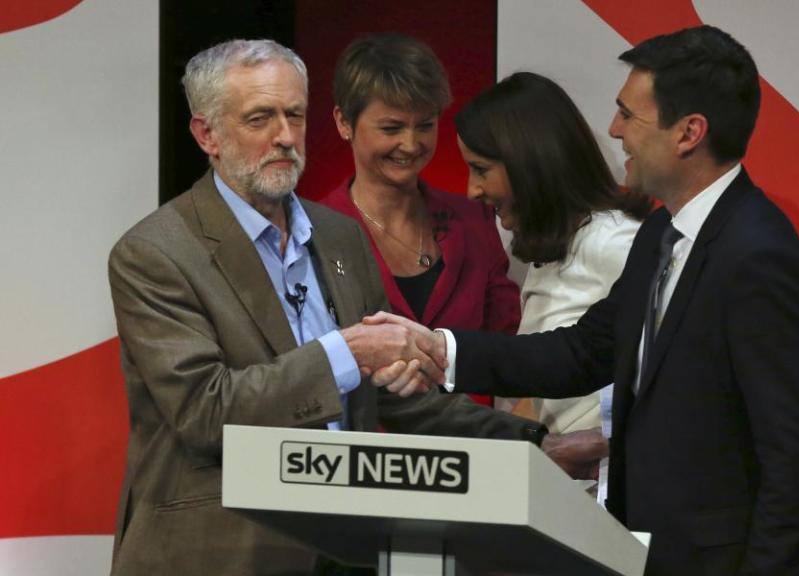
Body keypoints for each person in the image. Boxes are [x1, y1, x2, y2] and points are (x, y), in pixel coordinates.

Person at [370, 26, 799, 575]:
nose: (614, 130)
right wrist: (439, 350)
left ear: (689, 132)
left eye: (630, 116)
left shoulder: (758, 253)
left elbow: (794, 460)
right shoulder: (662, 235)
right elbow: (583, 351)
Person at [107, 39, 547, 576]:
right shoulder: (155, 253)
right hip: (224, 553)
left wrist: (537, 444)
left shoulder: (339, 237)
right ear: (207, 135)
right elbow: (206, 411)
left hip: (349, 551)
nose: (285, 137)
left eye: (294, 115)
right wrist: (346, 350)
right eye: (259, 119)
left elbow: (399, 397)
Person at [454, 72, 650, 484]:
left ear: (530, 163)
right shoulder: (551, 251)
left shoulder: (616, 243)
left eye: (481, 169)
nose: (472, 189)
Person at [321, 34, 520, 407]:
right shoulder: (311, 232)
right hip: (360, 453)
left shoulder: (474, 219)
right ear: (344, 122)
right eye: (392, 128)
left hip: (475, 448)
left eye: (425, 125)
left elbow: (507, 345)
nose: (411, 145)